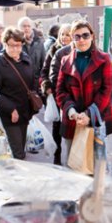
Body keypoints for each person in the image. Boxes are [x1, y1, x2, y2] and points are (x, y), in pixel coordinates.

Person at [56, 20, 112, 160]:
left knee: (98, 166)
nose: (82, 40)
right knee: (73, 164)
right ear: (73, 38)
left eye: (85, 35)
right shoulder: (65, 60)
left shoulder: (104, 59)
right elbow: (60, 91)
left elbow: (107, 91)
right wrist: (72, 112)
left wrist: (88, 115)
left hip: (97, 118)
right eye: (77, 36)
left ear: (92, 36)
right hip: (73, 120)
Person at [0, 27, 37, 160]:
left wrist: (35, 98)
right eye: (12, 45)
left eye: (19, 45)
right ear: (5, 44)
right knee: (17, 153)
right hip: (9, 116)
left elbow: (34, 79)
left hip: (25, 112)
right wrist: (10, 108)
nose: (16, 49)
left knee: (21, 147)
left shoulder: (26, 59)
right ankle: (18, 179)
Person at [40, 24, 71, 165]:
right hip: (57, 95)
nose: (64, 37)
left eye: (68, 34)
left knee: (73, 127)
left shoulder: (78, 51)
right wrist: (46, 86)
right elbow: (44, 71)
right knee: (57, 127)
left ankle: (73, 157)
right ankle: (57, 156)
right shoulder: (53, 50)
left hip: (73, 96)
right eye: (62, 34)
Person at [18, 17, 46, 84]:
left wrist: (41, 79)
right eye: (24, 26)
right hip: (20, 81)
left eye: (28, 26)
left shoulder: (39, 42)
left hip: (36, 81)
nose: (26, 28)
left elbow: (44, 64)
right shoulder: (16, 43)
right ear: (19, 28)